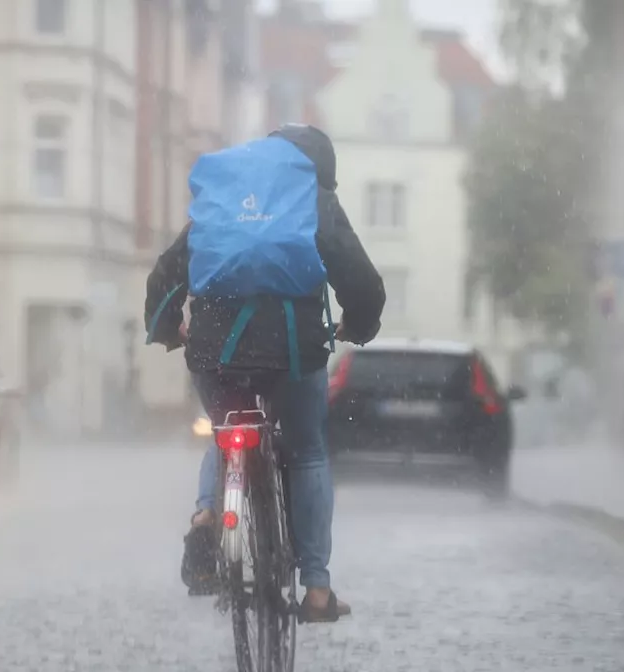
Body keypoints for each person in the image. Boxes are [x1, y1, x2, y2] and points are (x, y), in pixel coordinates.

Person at [144, 124, 385, 623]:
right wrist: (358, 324)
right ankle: (317, 589)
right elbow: (358, 276)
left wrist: (169, 327)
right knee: (309, 450)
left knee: (228, 427)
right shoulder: (312, 196)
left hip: (215, 344)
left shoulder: (227, 194)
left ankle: (208, 513)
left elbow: (168, 272)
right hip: (291, 346)